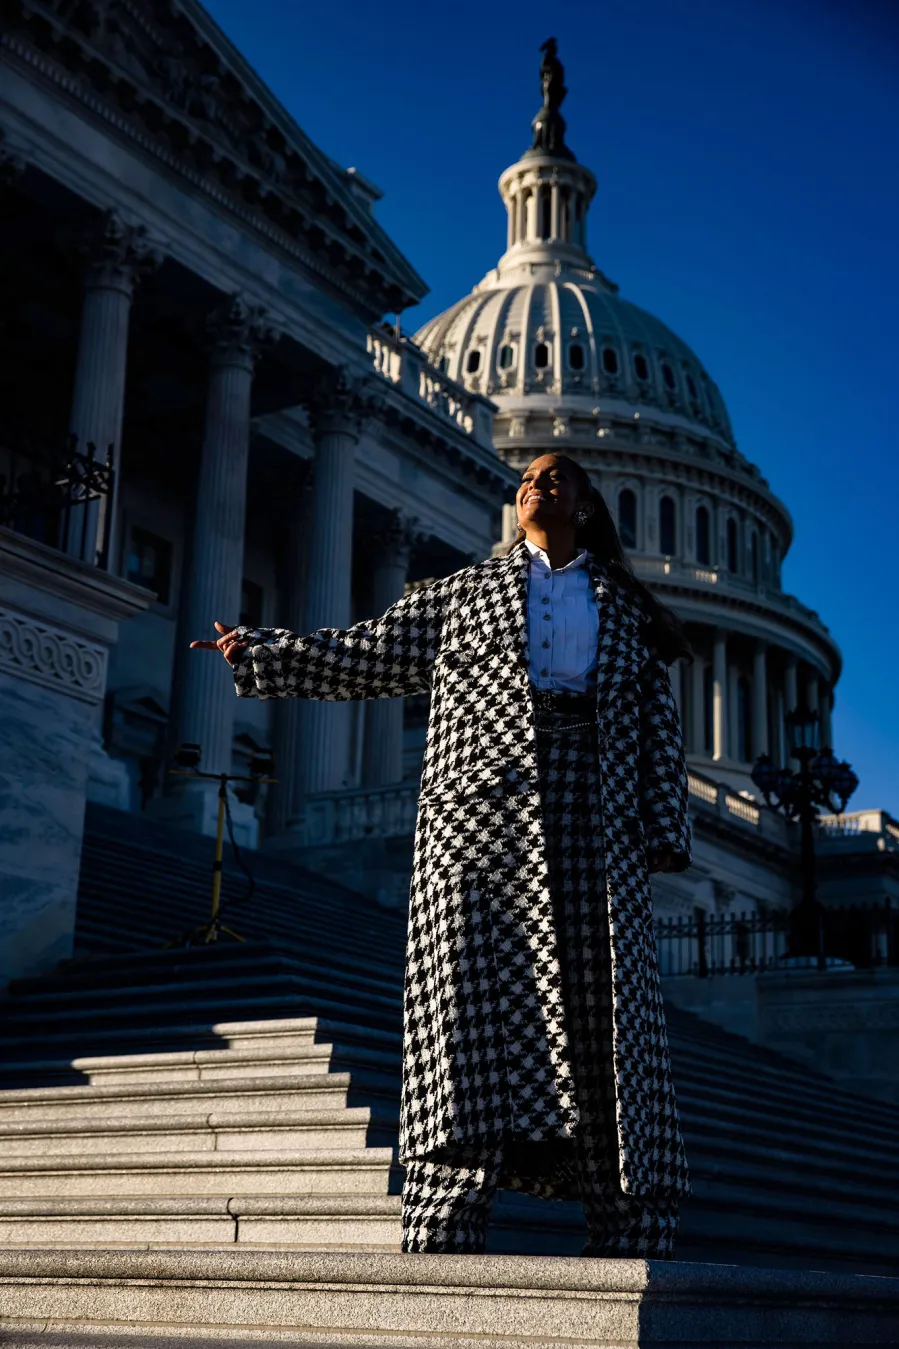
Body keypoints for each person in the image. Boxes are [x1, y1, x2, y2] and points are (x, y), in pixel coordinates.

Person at [191, 452, 694, 1257]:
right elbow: (366, 653)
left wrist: (662, 828)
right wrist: (261, 651)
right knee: (464, 1006)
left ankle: (628, 1213)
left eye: (558, 476)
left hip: (594, 810)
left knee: (604, 1007)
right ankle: (446, 1214)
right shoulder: (462, 593)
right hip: (479, 818)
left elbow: (656, 730)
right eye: (527, 476)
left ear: (589, 507)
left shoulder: (627, 612)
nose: (538, 484)